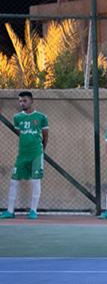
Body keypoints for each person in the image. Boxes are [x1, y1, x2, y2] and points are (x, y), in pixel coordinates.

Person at [2, 91, 49, 219]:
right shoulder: (17, 117)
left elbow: (45, 135)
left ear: (31, 101)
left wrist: (41, 150)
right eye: (20, 101)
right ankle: (10, 211)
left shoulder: (41, 117)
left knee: (36, 180)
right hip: (22, 154)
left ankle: (33, 211)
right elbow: (19, 133)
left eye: (24, 101)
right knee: (14, 180)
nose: (22, 103)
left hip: (36, 154)